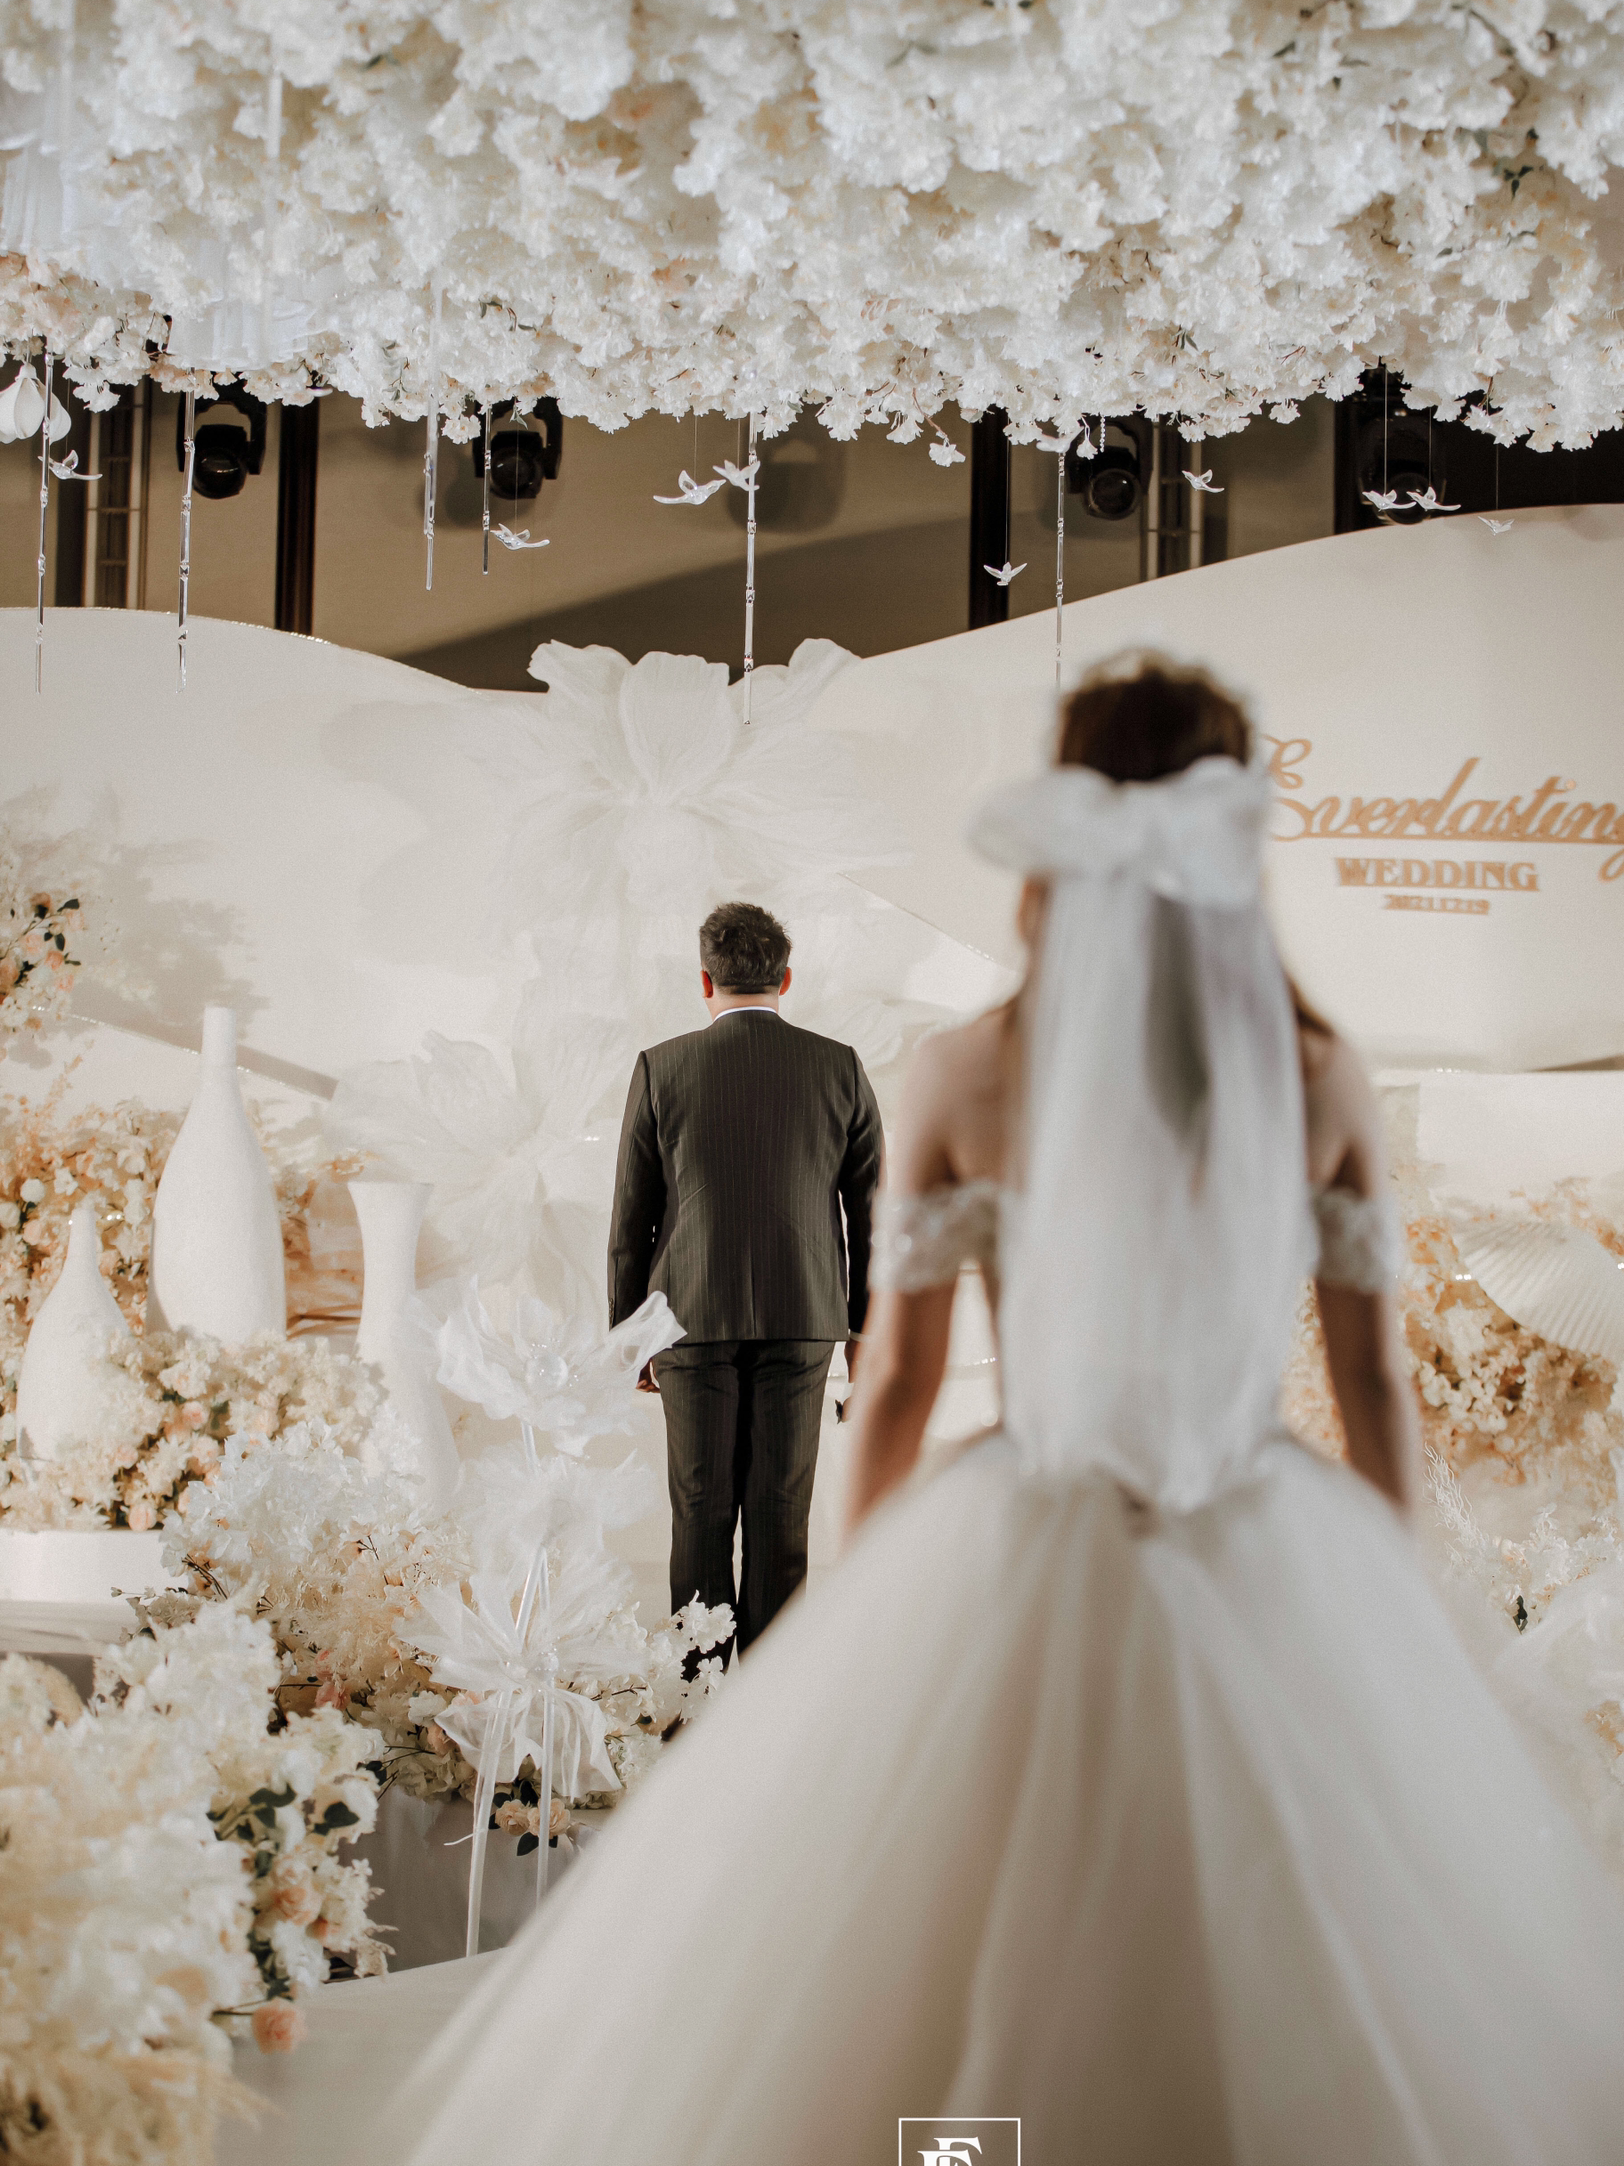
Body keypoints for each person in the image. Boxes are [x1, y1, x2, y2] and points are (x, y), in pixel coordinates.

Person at [396, 656, 1624, 2165]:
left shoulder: (970, 1069)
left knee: (943, 1943)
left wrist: (857, 1620)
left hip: (1026, 1513)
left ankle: (970, 2150)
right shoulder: (1314, 1071)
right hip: (1260, 1520)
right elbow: (1369, 1379)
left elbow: (906, 1377)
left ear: (1061, 826)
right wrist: (1391, 1597)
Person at [607, 900, 883, 1660]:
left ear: (705, 980)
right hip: (804, 1318)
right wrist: (863, 1334)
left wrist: (631, 1337)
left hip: (687, 1320)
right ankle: (772, 1697)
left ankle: (696, 1695)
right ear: (786, 979)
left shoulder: (661, 1067)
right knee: (781, 1516)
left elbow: (632, 1217)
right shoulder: (838, 1066)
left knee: (698, 1514)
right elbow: (872, 1215)